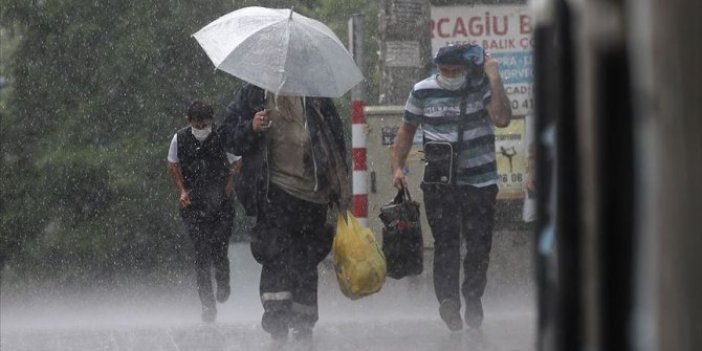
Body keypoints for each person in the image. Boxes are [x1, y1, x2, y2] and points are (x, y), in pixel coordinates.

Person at [391, 44, 512, 331]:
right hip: (439, 184)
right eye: (445, 70)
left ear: (466, 69)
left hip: (480, 182)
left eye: (456, 71)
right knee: (446, 243)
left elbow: (502, 118)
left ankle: (472, 295)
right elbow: (406, 131)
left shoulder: (480, 87)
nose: (450, 75)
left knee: (478, 246)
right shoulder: (422, 91)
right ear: (437, 67)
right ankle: (448, 300)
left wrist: (494, 77)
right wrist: (398, 166)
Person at [221, 84, 350, 341]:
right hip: (273, 191)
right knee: (276, 255)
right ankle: (277, 319)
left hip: (313, 195)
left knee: (305, 259)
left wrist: (340, 190)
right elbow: (227, 137)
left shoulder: (316, 96)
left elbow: (335, 141)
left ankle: (303, 322)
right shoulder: (254, 94)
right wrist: (251, 127)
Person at [167, 101, 241, 323]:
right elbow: (172, 164)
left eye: (205, 123)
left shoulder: (221, 137)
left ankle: (223, 280)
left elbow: (238, 162)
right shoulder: (179, 139)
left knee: (219, 246)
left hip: (221, 202)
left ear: (212, 120)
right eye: (197, 124)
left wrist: (230, 181)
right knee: (201, 253)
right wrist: (181, 191)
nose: (201, 127)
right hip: (194, 205)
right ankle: (208, 305)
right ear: (189, 121)